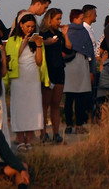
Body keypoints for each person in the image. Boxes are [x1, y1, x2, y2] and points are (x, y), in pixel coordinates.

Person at [6, 13, 45, 150]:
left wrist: (39, 45)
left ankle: (29, 138)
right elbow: (12, 58)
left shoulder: (37, 39)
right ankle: (20, 138)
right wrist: (24, 43)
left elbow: (39, 62)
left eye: (32, 27)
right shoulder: (12, 40)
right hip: (18, 77)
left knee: (32, 107)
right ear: (21, 25)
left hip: (33, 77)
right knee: (19, 107)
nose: (29, 29)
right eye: (27, 26)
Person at [39, 8, 72, 144]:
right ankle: (43, 133)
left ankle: (56, 133)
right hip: (48, 70)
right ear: (49, 19)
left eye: (60, 19)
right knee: (44, 104)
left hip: (59, 69)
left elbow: (68, 48)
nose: (59, 22)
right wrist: (47, 42)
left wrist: (65, 34)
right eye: (57, 19)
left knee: (56, 104)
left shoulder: (58, 34)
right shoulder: (43, 34)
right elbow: (38, 45)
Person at [64, 9, 93, 135]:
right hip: (76, 64)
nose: (82, 21)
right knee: (76, 97)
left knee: (72, 98)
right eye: (81, 19)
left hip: (75, 65)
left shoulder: (71, 31)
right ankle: (76, 124)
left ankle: (72, 124)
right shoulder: (76, 31)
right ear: (74, 18)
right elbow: (89, 50)